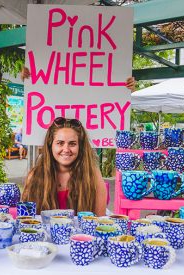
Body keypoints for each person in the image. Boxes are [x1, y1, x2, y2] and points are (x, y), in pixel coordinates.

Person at [20, 68, 135, 215]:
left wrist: (122, 88)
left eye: (72, 143)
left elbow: (98, 222)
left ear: (81, 147)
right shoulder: (35, 176)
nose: (66, 149)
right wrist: (31, 81)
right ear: (50, 145)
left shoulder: (92, 176)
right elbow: (25, 220)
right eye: (60, 143)